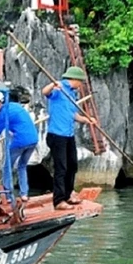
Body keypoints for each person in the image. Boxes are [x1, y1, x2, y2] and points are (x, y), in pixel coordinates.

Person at [0, 91, 39, 223]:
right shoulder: (15, 106)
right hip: (33, 139)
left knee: (6, 168)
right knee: (22, 166)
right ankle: (24, 194)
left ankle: (9, 196)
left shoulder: (2, 115)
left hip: (20, 141)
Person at [41, 66, 96, 210]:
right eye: (81, 82)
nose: (81, 85)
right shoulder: (59, 88)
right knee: (61, 168)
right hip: (57, 135)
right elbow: (45, 92)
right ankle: (59, 201)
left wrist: (87, 119)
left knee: (72, 165)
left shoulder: (72, 93)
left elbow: (73, 115)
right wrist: (53, 84)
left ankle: (68, 193)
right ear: (76, 80)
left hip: (68, 135)